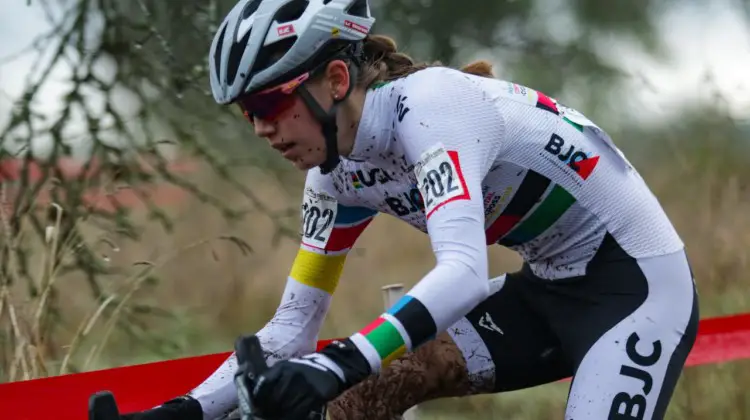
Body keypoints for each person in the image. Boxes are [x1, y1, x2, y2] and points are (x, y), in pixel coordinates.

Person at [119, 0, 699, 419]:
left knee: (343, 373)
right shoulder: (333, 175)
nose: (261, 127)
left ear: (337, 79)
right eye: (247, 112)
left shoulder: (432, 108)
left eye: (270, 101)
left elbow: (464, 272)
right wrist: (181, 411)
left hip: (637, 290)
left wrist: (339, 361)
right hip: (545, 289)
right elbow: (293, 329)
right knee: (351, 398)